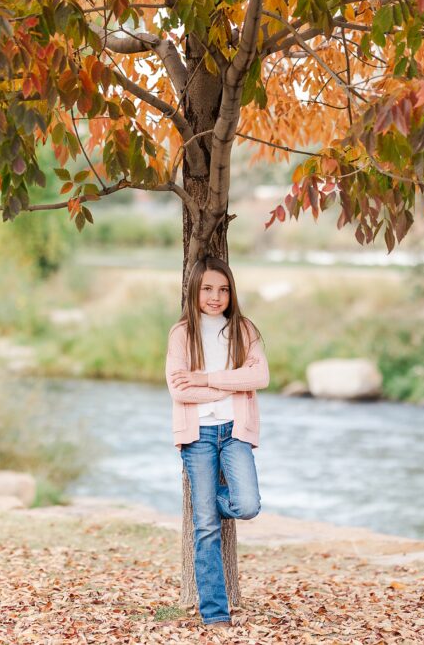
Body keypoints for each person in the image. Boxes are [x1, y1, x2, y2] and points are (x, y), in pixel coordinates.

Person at [165, 256, 269, 628]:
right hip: (199, 437)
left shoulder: (243, 329)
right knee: (206, 526)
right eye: (208, 288)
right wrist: (227, 384)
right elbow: (178, 389)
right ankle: (215, 614)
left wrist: (206, 379)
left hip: (234, 431)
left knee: (247, 504)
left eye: (223, 289)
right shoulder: (182, 334)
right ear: (195, 290)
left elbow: (260, 376)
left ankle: (208, 505)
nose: (215, 296)